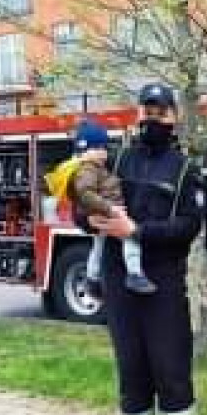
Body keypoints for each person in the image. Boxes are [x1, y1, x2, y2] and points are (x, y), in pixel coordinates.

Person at [88, 83, 204, 415]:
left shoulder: (186, 169)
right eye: (146, 110)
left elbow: (188, 227)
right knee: (131, 367)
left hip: (163, 283)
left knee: (171, 369)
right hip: (120, 282)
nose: (152, 118)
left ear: (174, 116)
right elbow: (80, 204)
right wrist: (91, 218)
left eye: (160, 111)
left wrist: (135, 230)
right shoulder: (116, 160)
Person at [44, 120, 157, 296]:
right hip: (109, 213)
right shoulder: (88, 169)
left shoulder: (94, 167)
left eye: (105, 148)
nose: (105, 152)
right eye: (100, 148)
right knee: (130, 238)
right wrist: (110, 209)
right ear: (86, 150)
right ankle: (135, 274)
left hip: (104, 213)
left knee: (98, 248)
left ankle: (92, 279)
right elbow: (85, 194)